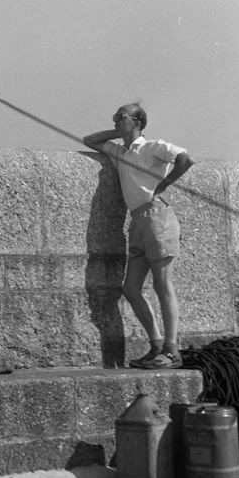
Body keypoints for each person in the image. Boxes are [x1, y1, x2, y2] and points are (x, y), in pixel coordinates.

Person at [83, 103, 195, 369]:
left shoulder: (152, 147)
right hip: (137, 222)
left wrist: (164, 185)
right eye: (115, 117)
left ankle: (171, 350)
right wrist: (117, 128)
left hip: (158, 217)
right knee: (131, 289)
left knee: (162, 284)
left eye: (121, 117)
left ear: (138, 122)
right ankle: (156, 345)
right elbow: (89, 140)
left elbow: (185, 159)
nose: (116, 120)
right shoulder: (120, 152)